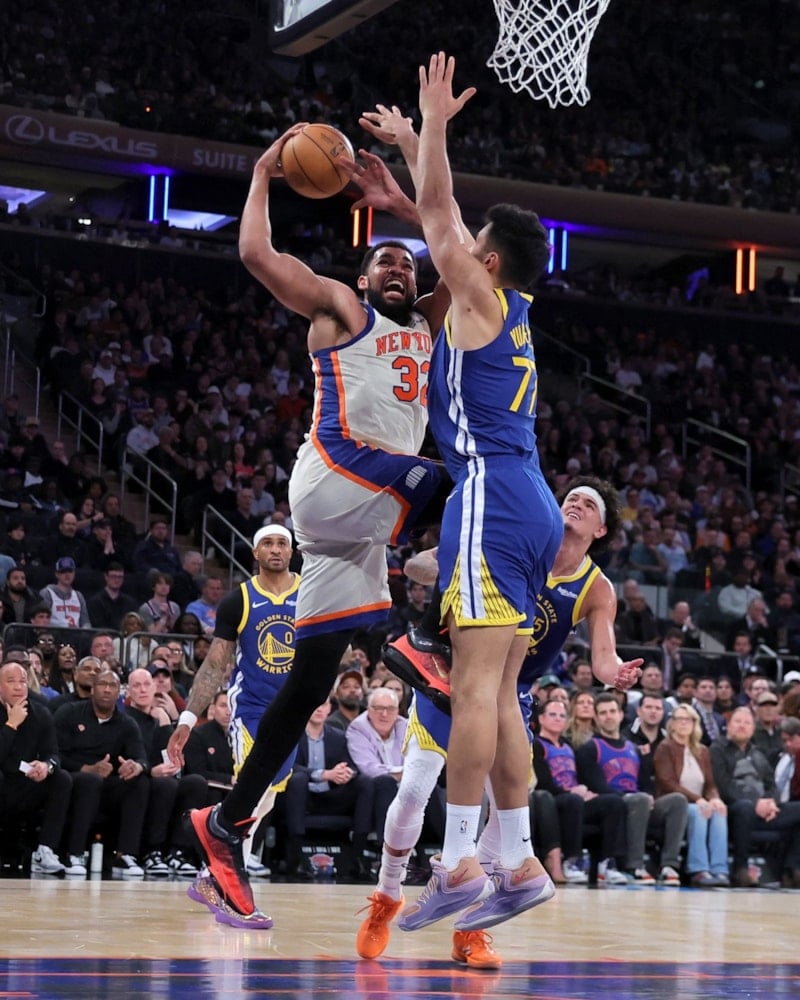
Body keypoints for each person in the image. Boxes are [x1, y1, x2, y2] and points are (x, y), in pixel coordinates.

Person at [169, 110, 451, 921]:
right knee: (457, 482)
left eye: (406, 261)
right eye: (384, 260)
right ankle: (419, 639)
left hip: (358, 524)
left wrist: (405, 201)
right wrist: (262, 175)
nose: (397, 267)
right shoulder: (340, 309)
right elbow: (257, 255)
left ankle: (225, 827)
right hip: (334, 477)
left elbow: (464, 252)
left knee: (309, 684)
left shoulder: (429, 321)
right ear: (361, 279)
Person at [357, 476, 640, 961]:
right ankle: (387, 894)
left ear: (601, 529)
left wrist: (616, 673)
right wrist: (447, 558)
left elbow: (603, 658)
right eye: (570, 497)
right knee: (413, 792)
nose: (575, 502)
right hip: (451, 677)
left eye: (588, 503)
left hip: (510, 695)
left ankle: (469, 928)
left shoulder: (597, 588)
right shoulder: (518, 540)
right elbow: (422, 567)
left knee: (504, 812)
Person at [168, 524, 300, 927]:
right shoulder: (238, 599)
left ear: (292, 551)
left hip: (292, 711)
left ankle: (210, 873)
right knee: (252, 793)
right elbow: (215, 665)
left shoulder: (310, 593)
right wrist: (188, 718)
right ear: (255, 552)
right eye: (267, 543)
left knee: (264, 800)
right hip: (252, 711)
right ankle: (228, 888)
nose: (275, 549)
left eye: (282, 543)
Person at [576, 692, 687, 885]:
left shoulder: (633, 748)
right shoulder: (590, 748)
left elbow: (645, 782)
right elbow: (597, 785)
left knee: (678, 800)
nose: (609, 716)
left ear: (621, 715)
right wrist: (633, 796)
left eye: (612, 711)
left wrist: (650, 796)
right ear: (596, 718)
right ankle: (634, 866)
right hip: (613, 804)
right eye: (603, 713)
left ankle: (669, 865)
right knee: (639, 799)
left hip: (640, 802)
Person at [54, 669, 149, 877]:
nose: (107, 689)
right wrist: (86, 768)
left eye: (112, 685)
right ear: (92, 689)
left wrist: (135, 766)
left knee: (139, 782)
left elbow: (141, 757)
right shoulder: (69, 712)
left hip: (107, 784)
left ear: (119, 692)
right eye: (102, 684)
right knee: (90, 781)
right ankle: (75, 853)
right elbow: (54, 754)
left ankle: (125, 855)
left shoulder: (127, 724)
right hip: (72, 779)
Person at [281, 697, 374, 880]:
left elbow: (352, 765)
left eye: (323, 704)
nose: (318, 709)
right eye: (315, 704)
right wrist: (323, 774)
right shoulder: (292, 735)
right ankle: (297, 857)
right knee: (298, 779)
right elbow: (290, 767)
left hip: (332, 796)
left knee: (365, 782)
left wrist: (345, 773)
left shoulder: (338, 736)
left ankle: (358, 856)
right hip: (303, 797)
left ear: (329, 708)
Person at [710, 705, 800, 888]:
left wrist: (771, 803)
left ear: (752, 729)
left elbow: (771, 784)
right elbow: (724, 785)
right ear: (729, 725)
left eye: (747, 723)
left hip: (764, 810)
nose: (742, 726)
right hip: (732, 809)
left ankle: (792, 868)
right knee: (744, 806)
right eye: (738, 721)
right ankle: (740, 869)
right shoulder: (717, 749)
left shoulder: (758, 753)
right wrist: (756, 803)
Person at [0, 660, 75, 875]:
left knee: (61, 778)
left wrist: (46, 766)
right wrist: (11, 725)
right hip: (2, 782)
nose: (18, 686)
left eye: (22, 681)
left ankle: (45, 850)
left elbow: (54, 754)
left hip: (26, 783)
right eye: (11, 681)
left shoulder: (41, 713)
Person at [654, 704, 730, 887]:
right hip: (673, 803)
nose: (683, 723)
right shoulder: (665, 748)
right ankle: (698, 869)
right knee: (698, 811)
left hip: (699, 801)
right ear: (672, 724)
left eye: (687, 719)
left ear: (694, 723)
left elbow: (710, 784)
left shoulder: (702, 751)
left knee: (719, 811)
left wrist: (715, 798)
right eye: (679, 719)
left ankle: (719, 869)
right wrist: (699, 800)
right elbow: (668, 782)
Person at [38, 557, 91, 629]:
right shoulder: (47, 593)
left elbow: (85, 622)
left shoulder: (79, 596)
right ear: (57, 574)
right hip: (53, 634)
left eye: (70, 571)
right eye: (63, 571)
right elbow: (42, 620)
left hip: (76, 635)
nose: (67, 574)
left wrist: (85, 631)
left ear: (74, 573)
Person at [86, 563, 138, 631]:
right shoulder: (95, 602)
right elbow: (97, 627)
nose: (117, 580)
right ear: (106, 577)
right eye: (113, 576)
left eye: (120, 577)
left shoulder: (130, 603)